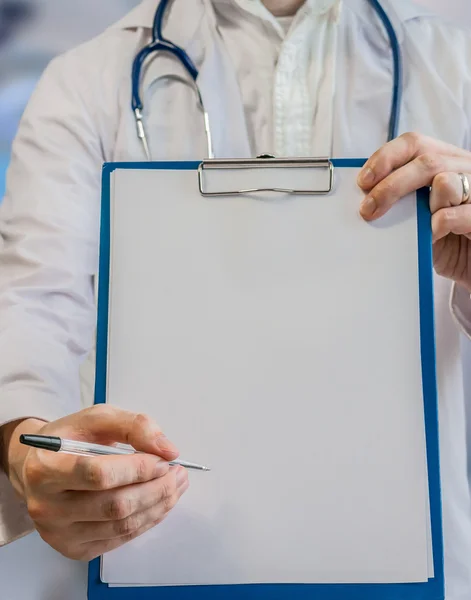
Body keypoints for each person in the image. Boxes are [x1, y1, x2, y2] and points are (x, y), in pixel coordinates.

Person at [0, 0, 471, 596]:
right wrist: (25, 449)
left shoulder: (458, 69)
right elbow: (34, 303)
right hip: (165, 551)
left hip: (417, 559)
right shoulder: (88, 80)